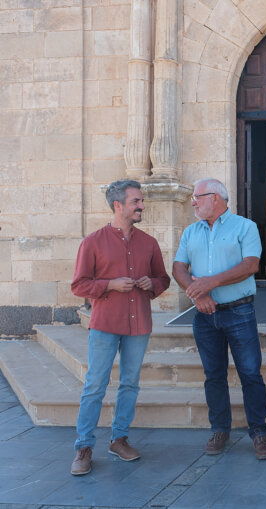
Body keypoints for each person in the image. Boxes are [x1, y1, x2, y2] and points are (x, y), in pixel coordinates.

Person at [69, 180, 171, 475]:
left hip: (139, 323)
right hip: (105, 324)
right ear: (118, 205)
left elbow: (162, 279)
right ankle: (84, 447)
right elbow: (78, 285)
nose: (141, 206)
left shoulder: (149, 243)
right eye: (136, 201)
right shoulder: (92, 242)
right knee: (94, 386)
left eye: (140, 201)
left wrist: (151, 284)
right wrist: (110, 285)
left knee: (130, 384)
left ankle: (119, 439)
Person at [172, 178, 266, 460]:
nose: (192, 202)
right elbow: (178, 267)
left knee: (250, 374)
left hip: (240, 311)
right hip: (204, 315)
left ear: (215, 197)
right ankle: (219, 429)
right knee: (213, 375)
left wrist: (209, 283)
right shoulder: (191, 232)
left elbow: (250, 265)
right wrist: (198, 295)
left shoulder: (245, 227)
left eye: (197, 197)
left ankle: (260, 433)